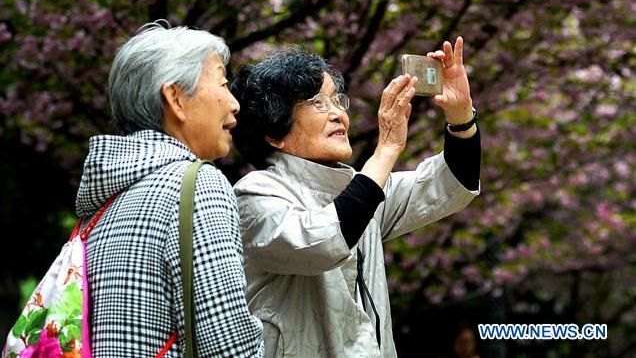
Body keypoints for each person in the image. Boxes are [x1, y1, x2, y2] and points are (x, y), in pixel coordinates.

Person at [231, 36, 480, 358]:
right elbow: (319, 243)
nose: (337, 114)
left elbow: (448, 183)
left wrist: (461, 118)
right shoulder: (255, 195)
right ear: (274, 133)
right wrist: (386, 149)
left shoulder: (361, 190)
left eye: (337, 101)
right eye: (318, 103)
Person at [76, 22, 264, 358]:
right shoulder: (196, 185)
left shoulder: (104, 206)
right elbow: (228, 342)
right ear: (175, 98)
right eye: (222, 83)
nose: (234, 103)